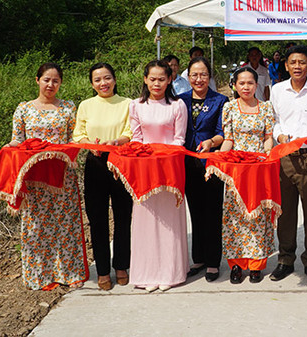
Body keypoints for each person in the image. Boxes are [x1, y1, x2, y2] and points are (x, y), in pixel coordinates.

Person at [6, 62, 87, 290]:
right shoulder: (24, 108)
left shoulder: (68, 108)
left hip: (62, 175)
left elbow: (75, 138)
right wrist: (9, 148)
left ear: (60, 83)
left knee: (65, 224)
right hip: (34, 177)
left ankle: (70, 273)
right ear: (37, 80)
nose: (50, 85)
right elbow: (17, 139)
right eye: (46, 80)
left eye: (56, 81)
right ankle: (39, 275)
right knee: (36, 226)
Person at [129, 59, 189, 292]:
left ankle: (170, 272)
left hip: (169, 170)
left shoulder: (177, 106)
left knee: (169, 223)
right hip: (144, 171)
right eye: (152, 79)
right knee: (145, 222)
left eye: (161, 79)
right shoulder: (135, 105)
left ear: (170, 80)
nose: (156, 83)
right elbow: (136, 138)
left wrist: (163, 161)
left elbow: (179, 140)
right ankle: (146, 274)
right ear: (145, 79)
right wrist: (143, 159)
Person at [269, 45, 307, 283]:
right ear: (286, 65)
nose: (297, 67)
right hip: (284, 156)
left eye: (302, 62)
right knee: (285, 211)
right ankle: (285, 259)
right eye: (292, 62)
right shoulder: (277, 90)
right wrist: (280, 135)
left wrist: (301, 140)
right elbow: (274, 120)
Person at [73, 63, 133, 291]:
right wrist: (91, 145)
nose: (103, 83)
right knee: (97, 218)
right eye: (97, 80)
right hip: (95, 162)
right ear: (92, 84)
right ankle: (102, 270)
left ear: (115, 80)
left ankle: (121, 266)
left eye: (107, 78)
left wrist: (118, 141)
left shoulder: (128, 103)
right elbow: (79, 134)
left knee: (122, 216)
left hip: (121, 161)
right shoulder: (86, 105)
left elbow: (130, 131)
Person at [219, 67, 276, 284]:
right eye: (241, 83)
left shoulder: (266, 108)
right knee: (235, 218)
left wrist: (267, 154)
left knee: (257, 216)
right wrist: (219, 161)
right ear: (234, 85)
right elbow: (228, 139)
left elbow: (268, 138)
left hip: (258, 170)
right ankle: (236, 265)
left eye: (250, 83)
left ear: (256, 85)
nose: (245, 87)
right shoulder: (230, 107)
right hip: (236, 172)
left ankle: (256, 265)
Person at [178, 56, 228, 282]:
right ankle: (198, 258)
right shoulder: (180, 101)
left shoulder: (221, 100)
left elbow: (223, 131)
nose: (199, 79)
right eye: (194, 75)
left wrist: (211, 143)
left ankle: (213, 261)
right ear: (188, 77)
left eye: (203, 74)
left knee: (213, 211)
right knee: (195, 211)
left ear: (210, 76)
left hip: (211, 162)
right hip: (187, 162)